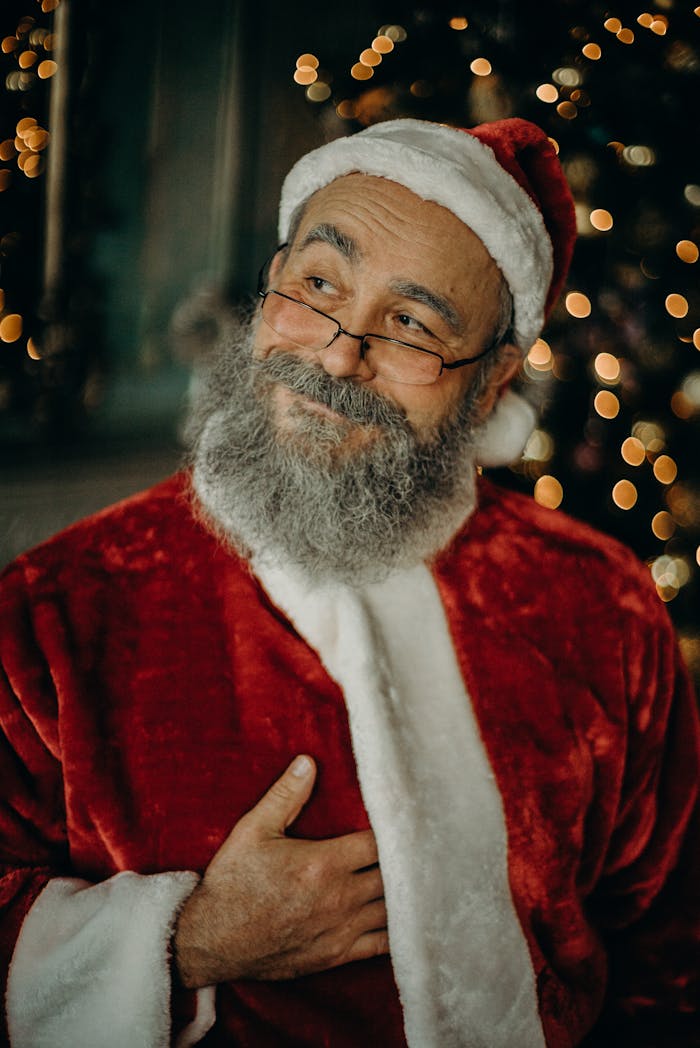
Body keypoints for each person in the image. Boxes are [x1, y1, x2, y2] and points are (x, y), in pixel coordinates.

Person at [0, 117, 697, 1048]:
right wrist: (187, 942)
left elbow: (666, 950)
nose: (336, 354)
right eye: (317, 285)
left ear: (490, 382)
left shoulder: (599, 604)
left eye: (410, 324)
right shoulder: (55, 609)